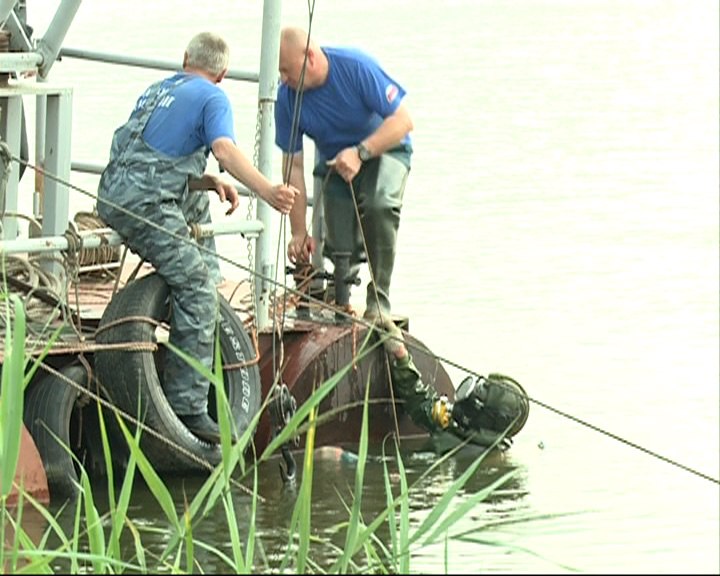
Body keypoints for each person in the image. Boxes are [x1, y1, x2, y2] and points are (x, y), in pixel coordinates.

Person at [97, 32, 298, 443]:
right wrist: (269, 190)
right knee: (193, 284)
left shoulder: (160, 89)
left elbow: (149, 158)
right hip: (145, 204)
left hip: (114, 191)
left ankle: (203, 311)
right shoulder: (213, 98)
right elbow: (224, 149)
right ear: (222, 74)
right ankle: (188, 406)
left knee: (199, 211)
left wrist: (204, 182)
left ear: (185, 58)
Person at [275, 26, 414, 323]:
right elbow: (293, 167)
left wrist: (362, 152)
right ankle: (341, 303)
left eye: (287, 71)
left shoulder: (356, 67)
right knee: (339, 244)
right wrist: (298, 232)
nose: (283, 79)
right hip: (336, 163)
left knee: (379, 206)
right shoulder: (287, 98)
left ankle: (380, 300)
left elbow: (403, 121)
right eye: (280, 72)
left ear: (309, 57)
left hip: (385, 149)